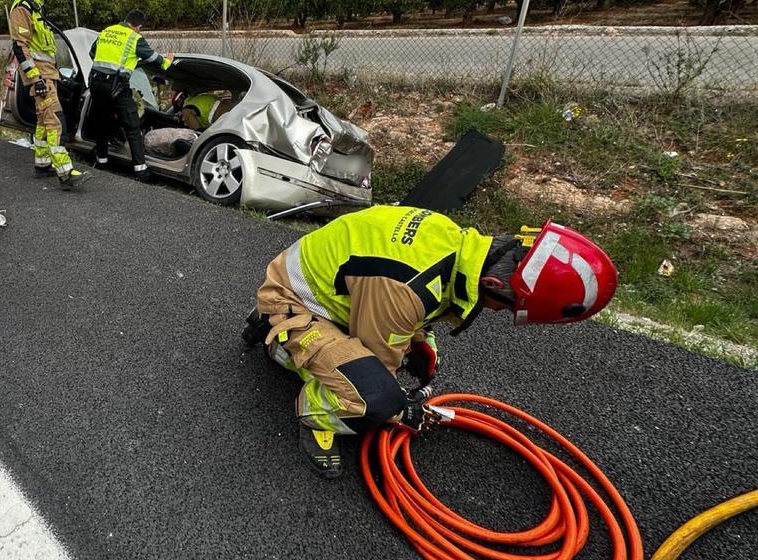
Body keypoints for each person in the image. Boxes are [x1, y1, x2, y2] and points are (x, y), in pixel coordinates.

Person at [245, 205, 617, 478]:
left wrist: (421, 340)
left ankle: (294, 337)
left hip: (337, 290)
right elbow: (383, 356)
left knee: (405, 359)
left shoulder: (453, 241)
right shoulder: (405, 289)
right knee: (374, 399)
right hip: (294, 300)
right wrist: (403, 410)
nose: (500, 313)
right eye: (506, 307)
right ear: (491, 284)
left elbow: (413, 305)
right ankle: (303, 391)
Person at [9, 0, 89, 190]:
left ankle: (42, 163)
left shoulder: (34, 8)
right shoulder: (22, 8)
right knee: (55, 121)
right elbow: (19, 47)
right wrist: (35, 79)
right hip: (40, 76)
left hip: (47, 74)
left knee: (44, 121)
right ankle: (65, 172)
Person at [87, 10, 171, 180]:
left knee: (102, 123)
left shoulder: (107, 31)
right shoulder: (134, 38)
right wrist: (168, 60)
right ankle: (141, 171)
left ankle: (101, 162)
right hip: (116, 87)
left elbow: (92, 53)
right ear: (138, 26)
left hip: (95, 83)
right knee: (133, 126)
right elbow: (155, 58)